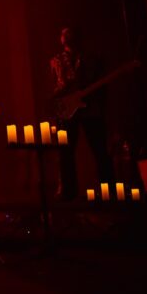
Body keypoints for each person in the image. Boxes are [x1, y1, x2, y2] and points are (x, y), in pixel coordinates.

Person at [50, 27, 114, 200]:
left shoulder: (93, 59)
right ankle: (68, 191)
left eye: (70, 33)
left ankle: (107, 190)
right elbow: (54, 86)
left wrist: (98, 103)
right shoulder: (56, 61)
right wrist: (61, 100)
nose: (67, 36)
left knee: (99, 149)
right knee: (65, 152)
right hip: (68, 110)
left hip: (90, 109)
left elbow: (102, 86)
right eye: (64, 33)